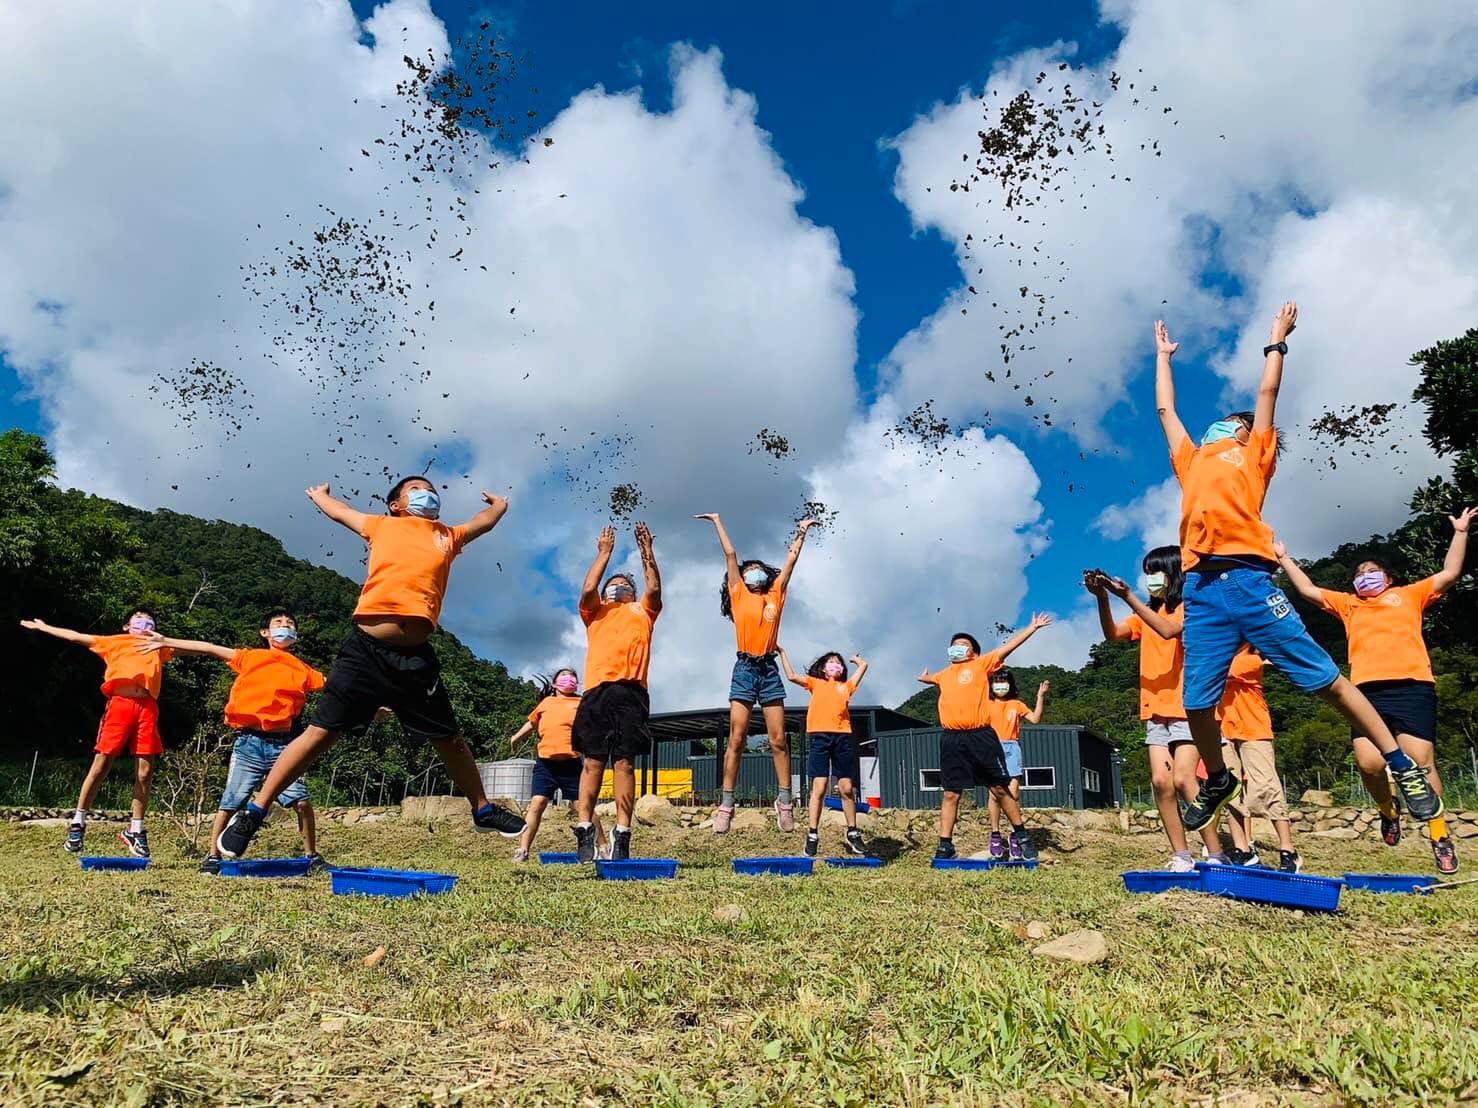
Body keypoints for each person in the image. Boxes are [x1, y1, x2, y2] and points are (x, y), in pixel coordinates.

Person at [1152, 307, 1441, 831]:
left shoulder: (1253, 456)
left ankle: (1401, 764)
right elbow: (1166, 409)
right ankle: (1219, 778)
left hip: (1250, 582)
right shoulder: (1190, 460)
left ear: (1247, 435)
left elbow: (1267, 393)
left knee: (1329, 681)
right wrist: (1163, 358)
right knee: (1195, 703)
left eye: (1235, 424)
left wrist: (1276, 341)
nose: (1226, 424)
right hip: (1201, 590)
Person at [216, 477, 525, 859]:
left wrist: (499, 506)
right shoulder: (381, 526)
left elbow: (482, 522)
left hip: (414, 659)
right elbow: (342, 513)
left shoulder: (447, 536)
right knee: (320, 734)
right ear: (395, 505)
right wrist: (320, 497)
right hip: (364, 651)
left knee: (451, 739)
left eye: (430, 489)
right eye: (416, 489)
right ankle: (255, 810)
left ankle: (482, 809)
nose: (427, 493)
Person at [1276, 506, 1474, 875]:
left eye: (1371, 571)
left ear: (1388, 576)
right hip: (1366, 693)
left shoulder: (1410, 595)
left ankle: (1439, 836)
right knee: (1369, 764)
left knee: (1421, 762)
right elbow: (1307, 590)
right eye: (1358, 574)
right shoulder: (1349, 605)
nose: (1365, 577)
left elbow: (1449, 573)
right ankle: (1388, 810)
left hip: (1413, 687)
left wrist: (1460, 532)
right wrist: (1284, 559)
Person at [140, 609, 329, 873]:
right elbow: (208, 648)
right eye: (279, 622)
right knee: (231, 801)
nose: (285, 626)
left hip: (285, 746)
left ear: (295, 635)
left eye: (290, 624)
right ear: (265, 632)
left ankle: (311, 856)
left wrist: (370, 707)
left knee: (301, 801)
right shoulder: (250, 657)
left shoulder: (303, 669)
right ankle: (213, 856)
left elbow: (337, 688)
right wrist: (166, 641)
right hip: (249, 743)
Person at [1085, 555, 1222, 871]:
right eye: (1147, 573)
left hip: (1188, 707)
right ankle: (1182, 855)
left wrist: (1127, 596)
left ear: (1174, 573)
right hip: (1155, 709)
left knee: (1185, 778)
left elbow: (1169, 631)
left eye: (1156, 572)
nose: (1151, 579)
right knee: (1161, 782)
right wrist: (1102, 597)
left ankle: (1216, 853)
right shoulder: (1145, 614)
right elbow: (1113, 633)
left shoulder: (1191, 607)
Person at [694, 513, 818, 834]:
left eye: (757, 569)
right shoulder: (738, 593)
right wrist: (717, 521)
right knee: (736, 738)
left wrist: (801, 532)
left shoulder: (776, 594)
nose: (754, 572)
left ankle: (785, 802)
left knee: (778, 739)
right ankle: (726, 804)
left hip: (769, 669)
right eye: (749, 570)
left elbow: (790, 562)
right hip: (745, 669)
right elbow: (730, 554)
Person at [20, 609, 172, 858]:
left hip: (147, 708)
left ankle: (135, 830)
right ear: (126, 626)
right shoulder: (114, 642)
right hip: (120, 705)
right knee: (101, 765)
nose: (144, 625)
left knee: (145, 773)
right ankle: (78, 823)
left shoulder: (158, 646)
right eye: (138, 621)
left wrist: (167, 640)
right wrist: (45, 628)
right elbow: (77, 636)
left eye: (149, 622)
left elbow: (192, 648)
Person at [916, 615, 1052, 861]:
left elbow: (1008, 647)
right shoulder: (944, 674)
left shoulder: (981, 664)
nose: (956, 647)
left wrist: (1031, 628)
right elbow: (932, 679)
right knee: (950, 793)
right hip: (951, 739)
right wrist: (925, 678)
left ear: (974, 653)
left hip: (980, 736)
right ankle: (945, 845)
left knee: (999, 788)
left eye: (963, 644)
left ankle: (1022, 836)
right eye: (954, 644)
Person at [571, 523, 662, 863]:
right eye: (614, 585)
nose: (619, 587)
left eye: (625, 585)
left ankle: (622, 832)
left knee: (624, 763)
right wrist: (604, 553)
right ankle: (585, 826)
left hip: (632, 693)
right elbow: (588, 587)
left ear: (633, 593)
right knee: (593, 762)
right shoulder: (594, 612)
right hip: (597, 692)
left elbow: (654, 586)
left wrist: (647, 552)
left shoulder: (643, 611)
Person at [505, 668, 608, 863]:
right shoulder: (546, 703)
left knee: (583, 807)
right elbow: (532, 723)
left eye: (572, 677)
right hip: (545, 765)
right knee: (537, 804)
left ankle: (603, 847)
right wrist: (515, 737)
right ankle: (522, 851)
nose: (568, 679)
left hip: (571, 765)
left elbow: (594, 725)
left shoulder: (581, 703)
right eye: (563, 676)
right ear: (554, 684)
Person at [777, 646, 869, 858]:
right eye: (831, 662)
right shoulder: (815, 683)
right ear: (824, 669)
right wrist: (782, 652)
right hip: (820, 738)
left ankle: (852, 832)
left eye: (838, 662)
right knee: (819, 787)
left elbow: (863, 667)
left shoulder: (846, 686)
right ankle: (812, 834)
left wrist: (857, 661)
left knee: (846, 788)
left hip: (842, 738)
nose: (835, 664)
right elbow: (791, 676)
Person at [1217, 645, 1302, 873]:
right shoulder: (1221, 650)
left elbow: (1221, 670)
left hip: (1254, 726)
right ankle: (1242, 849)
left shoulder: (1251, 659)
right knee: (1230, 790)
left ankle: (1288, 849)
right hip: (1221, 725)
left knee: (1266, 785)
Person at [984, 669, 1048, 861]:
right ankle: (995, 834)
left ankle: (1015, 835)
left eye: (1003, 681)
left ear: (1010, 684)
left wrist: (1040, 696)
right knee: (994, 795)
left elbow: (1035, 719)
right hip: (991, 748)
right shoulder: (985, 703)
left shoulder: (1016, 704)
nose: (1000, 685)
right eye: (996, 681)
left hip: (1012, 748)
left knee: (1013, 794)